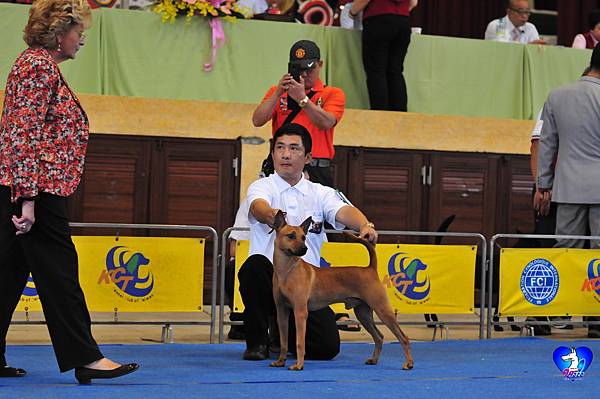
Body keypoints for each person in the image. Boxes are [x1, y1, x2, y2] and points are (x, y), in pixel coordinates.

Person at [0, 0, 138, 382]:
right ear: (60, 34)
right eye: (79, 31)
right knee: (61, 274)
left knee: (7, 273)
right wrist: (27, 198)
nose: (83, 39)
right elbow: (20, 135)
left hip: (24, 187)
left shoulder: (36, 66)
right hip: (35, 192)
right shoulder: (38, 67)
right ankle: (85, 356)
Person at [238, 123, 378, 360]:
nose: (285, 154)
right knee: (254, 267)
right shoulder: (262, 186)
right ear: (272, 154)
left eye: (294, 148)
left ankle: (284, 338)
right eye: (280, 147)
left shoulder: (321, 192)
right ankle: (258, 341)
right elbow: (257, 206)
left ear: (308, 157)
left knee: (326, 348)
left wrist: (364, 225)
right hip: (271, 279)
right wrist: (271, 215)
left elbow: (345, 211)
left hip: (308, 287)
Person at [537, 44, 600, 339]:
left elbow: (547, 145)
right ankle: (596, 319)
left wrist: (543, 185)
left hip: (568, 187)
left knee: (566, 252)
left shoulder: (557, 95)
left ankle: (559, 313)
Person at [252, 40, 345, 188]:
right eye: (299, 70)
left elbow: (326, 122)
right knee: (277, 210)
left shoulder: (332, 93)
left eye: (310, 69)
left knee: (315, 211)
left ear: (320, 64)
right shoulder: (278, 91)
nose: (305, 74)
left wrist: (302, 99)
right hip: (284, 166)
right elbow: (257, 120)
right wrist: (277, 94)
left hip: (316, 168)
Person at [349, 0, 418, 111]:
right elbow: (414, 3)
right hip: (403, 22)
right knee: (395, 71)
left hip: (378, 19)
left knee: (376, 71)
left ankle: (380, 115)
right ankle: (400, 114)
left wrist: (352, 12)